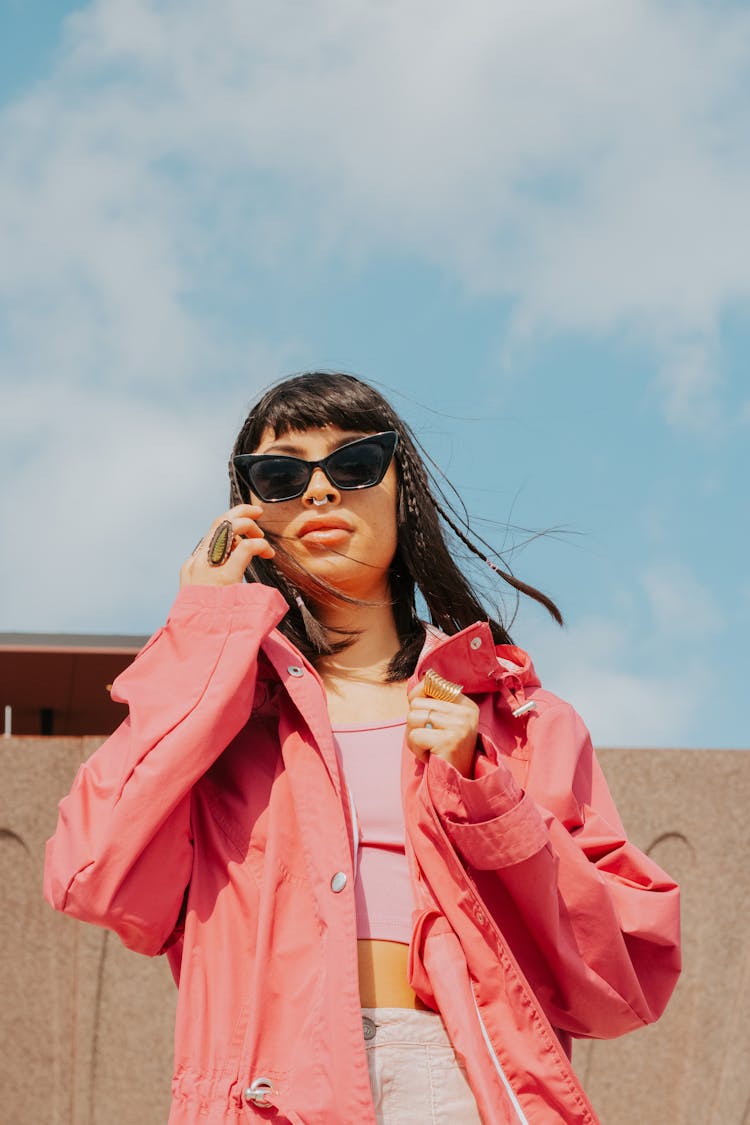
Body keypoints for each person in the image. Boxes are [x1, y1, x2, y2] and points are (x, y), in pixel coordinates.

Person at [44, 371, 681, 1124]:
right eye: (280, 474)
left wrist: (490, 796)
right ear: (248, 516)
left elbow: (628, 969)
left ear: (400, 490)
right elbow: (90, 873)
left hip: (459, 1079)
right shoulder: (221, 728)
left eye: (353, 465)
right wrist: (201, 636)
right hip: (271, 1093)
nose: (319, 492)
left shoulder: (517, 722)